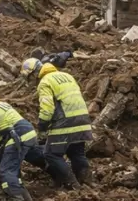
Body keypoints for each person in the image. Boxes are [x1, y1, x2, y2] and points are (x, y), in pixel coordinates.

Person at [22, 56, 92, 184]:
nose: (32, 81)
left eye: (31, 78)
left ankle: (72, 186)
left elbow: (47, 109)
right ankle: (87, 183)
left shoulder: (45, 82)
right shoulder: (66, 76)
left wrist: (42, 128)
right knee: (76, 153)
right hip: (83, 119)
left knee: (52, 154)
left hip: (65, 121)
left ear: (34, 73)